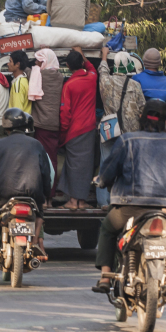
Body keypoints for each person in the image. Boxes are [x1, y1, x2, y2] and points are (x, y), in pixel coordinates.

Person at [92, 99, 166, 291]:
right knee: (165, 234)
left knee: (107, 228)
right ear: (165, 121)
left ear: (141, 118)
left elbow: (108, 172)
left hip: (128, 207)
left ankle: (105, 277)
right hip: (164, 208)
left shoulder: (127, 140)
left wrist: (102, 181)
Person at [0, 108, 54, 265]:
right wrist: (45, 195)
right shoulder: (37, 145)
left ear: (5, 126)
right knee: (40, 213)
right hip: (32, 194)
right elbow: (46, 173)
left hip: (3, 194)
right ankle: (34, 241)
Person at [96, 45, 145, 207]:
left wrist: (104, 55)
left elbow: (102, 70)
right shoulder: (135, 86)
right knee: (127, 167)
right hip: (130, 134)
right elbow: (142, 109)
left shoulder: (106, 82)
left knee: (105, 165)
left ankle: (104, 203)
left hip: (110, 132)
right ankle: (124, 201)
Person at [58, 47, 97, 210]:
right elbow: (92, 68)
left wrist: (62, 133)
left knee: (74, 166)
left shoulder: (69, 85)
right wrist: (83, 55)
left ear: (67, 66)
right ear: (81, 63)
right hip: (89, 128)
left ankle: (74, 201)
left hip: (74, 130)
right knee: (85, 166)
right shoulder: (92, 78)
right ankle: (80, 201)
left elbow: (65, 113)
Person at [28, 48, 63, 201]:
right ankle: (50, 195)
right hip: (55, 125)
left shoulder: (37, 74)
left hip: (41, 125)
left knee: (40, 162)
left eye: (38, 60)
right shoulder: (60, 77)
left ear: (44, 62)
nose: (36, 63)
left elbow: (26, 69)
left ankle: (45, 197)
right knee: (52, 161)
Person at [134, 48, 166, 115]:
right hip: (160, 123)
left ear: (144, 62)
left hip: (140, 123)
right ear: (159, 63)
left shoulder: (136, 80)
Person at [7, 50, 33, 114]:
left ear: (17, 64)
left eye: (10, 61)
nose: (8, 64)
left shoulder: (18, 84)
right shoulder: (25, 80)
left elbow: (17, 111)